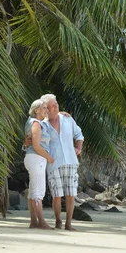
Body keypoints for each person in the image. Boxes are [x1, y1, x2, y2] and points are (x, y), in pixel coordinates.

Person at [39, 94, 84, 231]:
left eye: (56, 104)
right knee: (56, 195)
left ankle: (68, 224)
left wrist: (79, 148)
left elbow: (79, 134)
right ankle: (58, 221)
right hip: (53, 162)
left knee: (71, 194)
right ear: (46, 109)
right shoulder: (43, 124)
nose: (55, 107)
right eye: (52, 106)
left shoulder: (67, 120)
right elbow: (35, 138)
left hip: (70, 160)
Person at [24, 99, 55, 229]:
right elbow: (36, 146)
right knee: (38, 192)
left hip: (32, 158)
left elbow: (29, 142)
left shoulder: (30, 122)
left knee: (32, 191)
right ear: (36, 110)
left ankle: (34, 221)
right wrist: (49, 157)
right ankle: (41, 221)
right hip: (37, 158)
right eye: (44, 108)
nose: (46, 110)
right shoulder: (36, 123)